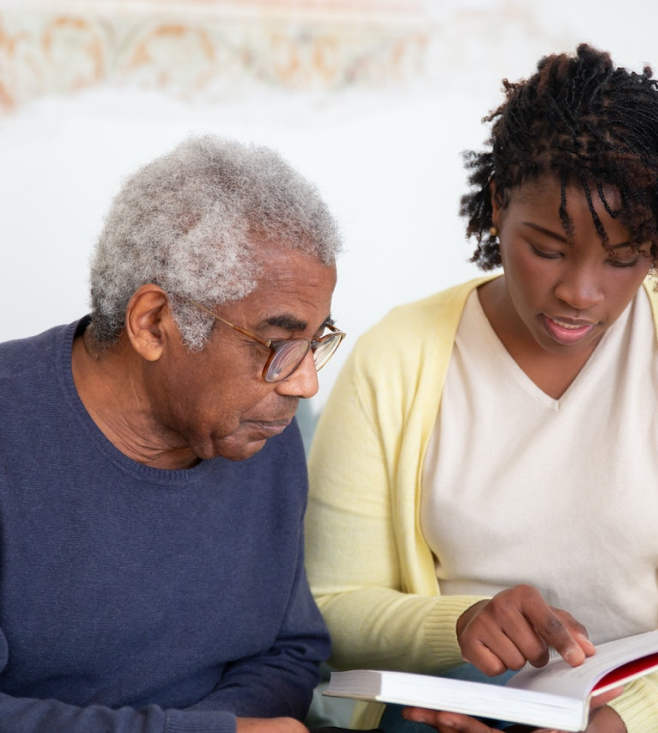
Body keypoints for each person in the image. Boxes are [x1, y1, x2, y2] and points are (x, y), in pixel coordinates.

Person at [305, 44, 658, 733]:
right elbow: (330, 605)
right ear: (498, 205)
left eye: (623, 259)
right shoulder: (396, 357)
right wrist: (458, 623)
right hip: (454, 711)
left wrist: (620, 722)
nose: (579, 292)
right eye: (548, 248)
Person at [0, 134, 347, 732]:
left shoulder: (263, 431)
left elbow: (289, 652)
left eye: (316, 342)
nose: (304, 383)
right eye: (281, 343)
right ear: (153, 323)